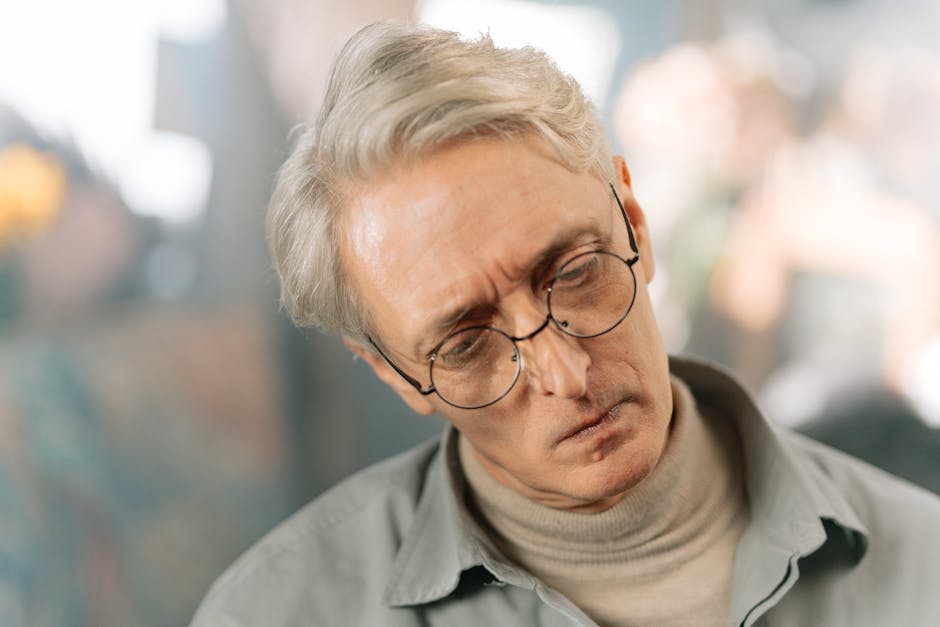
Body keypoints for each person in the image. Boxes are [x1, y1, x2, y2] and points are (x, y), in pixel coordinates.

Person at [191, 21, 940, 626]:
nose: (567, 373)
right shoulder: (276, 612)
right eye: (466, 342)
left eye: (575, 273)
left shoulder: (923, 564)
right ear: (394, 372)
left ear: (636, 225)